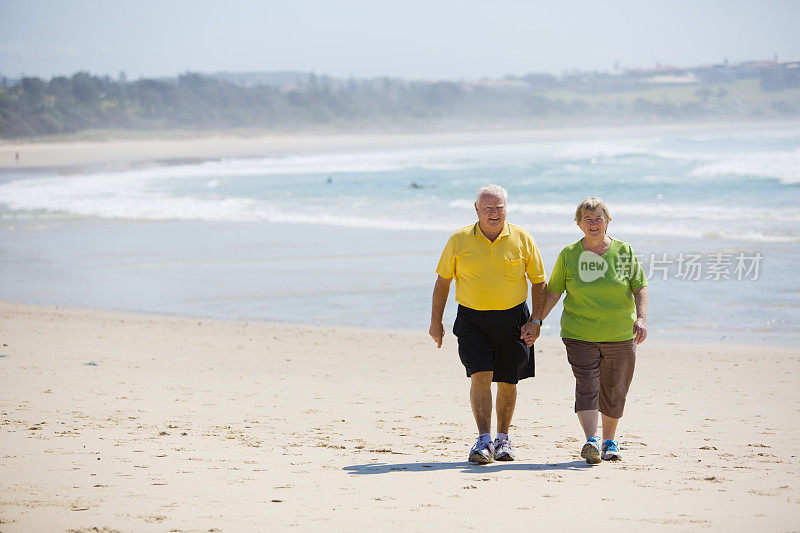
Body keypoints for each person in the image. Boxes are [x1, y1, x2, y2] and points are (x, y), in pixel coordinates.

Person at [430, 184, 546, 464]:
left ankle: (503, 439)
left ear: (507, 208)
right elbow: (443, 281)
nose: (494, 213)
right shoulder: (459, 239)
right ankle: (483, 440)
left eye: (499, 207)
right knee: (479, 375)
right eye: (488, 208)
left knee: (508, 380)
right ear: (477, 209)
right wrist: (436, 321)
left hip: (514, 318)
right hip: (472, 319)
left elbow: (539, 282)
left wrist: (536, 320)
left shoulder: (523, 238)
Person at [541, 197, 648, 464]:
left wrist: (642, 319)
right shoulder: (568, 254)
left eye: (598, 218)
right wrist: (537, 320)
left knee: (614, 389)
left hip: (620, 335)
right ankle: (592, 439)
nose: (593, 223)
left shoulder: (624, 251)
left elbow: (639, 287)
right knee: (587, 384)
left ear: (608, 221)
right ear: (578, 224)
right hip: (580, 334)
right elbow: (553, 292)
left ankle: (610, 441)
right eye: (587, 219)